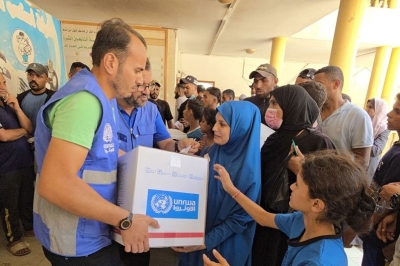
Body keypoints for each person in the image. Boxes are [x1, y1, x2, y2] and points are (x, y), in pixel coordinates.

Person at [33, 18, 160, 265]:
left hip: (93, 230)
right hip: (77, 241)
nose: (140, 80)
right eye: (137, 70)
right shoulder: (84, 102)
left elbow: (100, 154)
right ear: (111, 62)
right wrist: (126, 220)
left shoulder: (105, 99)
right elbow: (55, 183)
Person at [208, 149, 375, 266]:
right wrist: (231, 189)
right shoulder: (303, 220)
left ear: (316, 204)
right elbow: (264, 218)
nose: (292, 187)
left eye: (298, 184)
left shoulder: (318, 261)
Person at [117, 59, 198, 266]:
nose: (146, 91)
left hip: (140, 195)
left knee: (138, 252)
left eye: (149, 85)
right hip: (110, 191)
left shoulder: (151, 110)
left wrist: (180, 146)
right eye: (140, 86)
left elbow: (166, 144)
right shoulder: (105, 107)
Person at [254, 84, 334, 266]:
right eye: (270, 102)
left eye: (275, 103)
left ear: (293, 106)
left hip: (297, 222)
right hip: (265, 218)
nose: (270, 109)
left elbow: (330, 188)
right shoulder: (274, 139)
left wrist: (302, 170)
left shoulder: (319, 141)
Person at [173, 101, 261, 266]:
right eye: (215, 123)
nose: (214, 128)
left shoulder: (248, 171)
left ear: (240, 128)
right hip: (197, 235)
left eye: (223, 124)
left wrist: (205, 241)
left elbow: (240, 219)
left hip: (222, 247)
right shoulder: (210, 151)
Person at [361, 93, 400, 266]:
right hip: (378, 227)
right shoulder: (397, 147)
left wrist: (368, 223)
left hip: (381, 232)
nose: (390, 114)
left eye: (397, 111)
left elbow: (388, 198)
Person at [0, 73, 35, 256]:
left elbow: (29, 127)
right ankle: (13, 239)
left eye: (4, 82)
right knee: (9, 204)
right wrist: (22, 131)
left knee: (26, 198)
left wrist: (18, 109)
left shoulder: (9, 105)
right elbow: (3, 136)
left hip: (24, 162)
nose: (3, 86)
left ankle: (29, 228)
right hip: (6, 166)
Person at [314, 65, 373, 168]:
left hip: (339, 181)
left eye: (319, 85)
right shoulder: (313, 111)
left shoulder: (358, 115)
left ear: (336, 84)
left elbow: (362, 161)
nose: (316, 89)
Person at [17, 62, 54, 133]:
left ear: (47, 80)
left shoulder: (54, 97)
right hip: (26, 141)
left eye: (38, 76)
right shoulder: (20, 98)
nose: (33, 79)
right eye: (31, 75)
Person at [365, 98, 390, 183]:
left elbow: (376, 150)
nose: (367, 109)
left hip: (370, 164)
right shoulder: (364, 122)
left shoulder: (384, 128)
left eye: (370, 107)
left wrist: (360, 141)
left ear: (379, 110)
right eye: (367, 106)